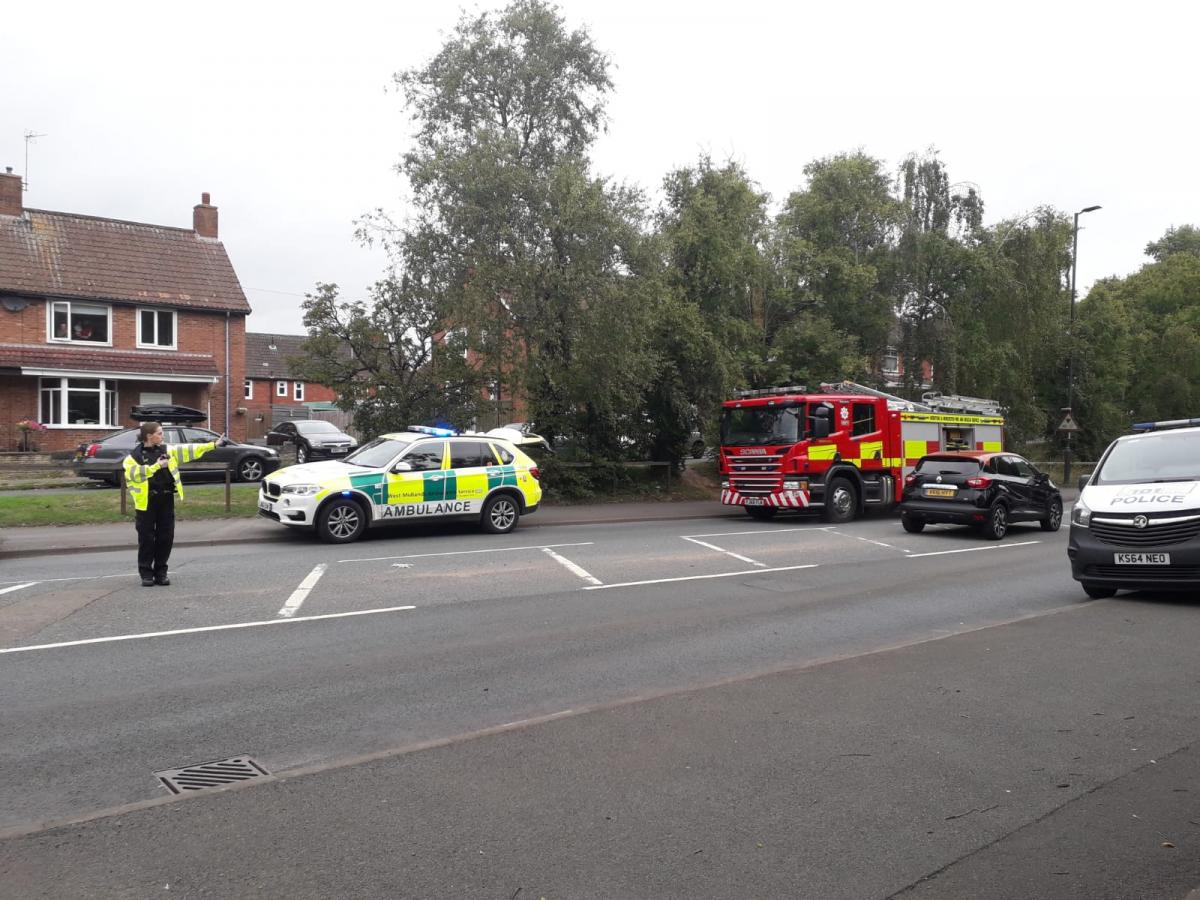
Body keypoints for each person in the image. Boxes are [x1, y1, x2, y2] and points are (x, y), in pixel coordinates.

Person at [123, 422, 231, 586]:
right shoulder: (133, 457)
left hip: (166, 500)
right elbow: (135, 475)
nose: (162, 435)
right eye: (159, 433)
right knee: (147, 539)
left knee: (165, 537)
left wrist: (213, 445)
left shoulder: (167, 451)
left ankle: (161, 573)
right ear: (149, 436)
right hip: (146, 503)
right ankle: (146, 573)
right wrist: (156, 466)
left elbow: (189, 449)